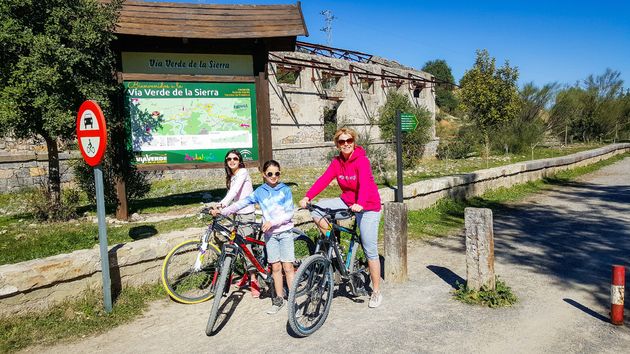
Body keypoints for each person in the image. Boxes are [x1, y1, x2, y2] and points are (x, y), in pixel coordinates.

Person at [299, 127, 383, 308]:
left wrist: (360, 203)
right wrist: (308, 196)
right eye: (342, 142)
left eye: (349, 141)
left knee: (370, 249)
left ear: (354, 142)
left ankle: (376, 291)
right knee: (317, 210)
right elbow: (324, 179)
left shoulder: (362, 160)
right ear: (337, 144)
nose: (346, 144)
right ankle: (334, 245)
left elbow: (365, 184)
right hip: (347, 201)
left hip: (367, 205)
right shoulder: (337, 162)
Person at [214, 160, 296, 314]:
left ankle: (292, 302)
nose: (273, 176)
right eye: (270, 173)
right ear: (264, 174)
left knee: (288, 267)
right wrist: (223, 211)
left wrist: (272, 222)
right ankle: (278, 300)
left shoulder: (285, 190)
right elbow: (242, 203)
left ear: (280, 174)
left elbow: (289, 213)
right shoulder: (260, 191)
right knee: (276, 267)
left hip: (285, 233)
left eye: (277, 173)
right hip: (270, 235)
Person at [218, 150, 259, 298]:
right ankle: (247, 276)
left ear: (240, 160)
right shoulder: (232, 176)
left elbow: (234, 193)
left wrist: (221, 205)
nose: (232, 161)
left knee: (246, 248)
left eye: (235, 158)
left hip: (247, 215)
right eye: (229, 159)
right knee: (239, 247)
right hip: (237, 215)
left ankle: (254, 280)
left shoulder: (242, 172)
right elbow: (233, 196)